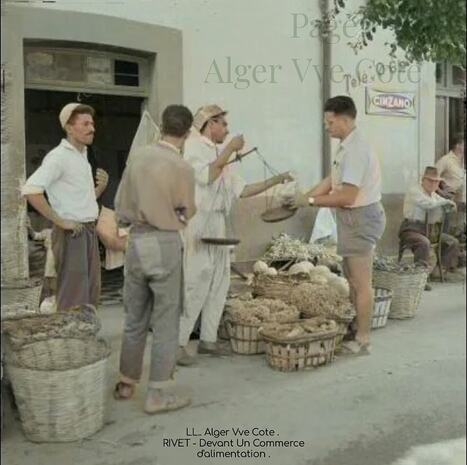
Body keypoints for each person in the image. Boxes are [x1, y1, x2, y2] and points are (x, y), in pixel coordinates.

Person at [177, 104, 293, 365]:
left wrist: (276, 180)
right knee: (196, 282)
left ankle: (208, 340)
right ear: (210, 124)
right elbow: (206, 176)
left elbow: (242, 190)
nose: (227, 130)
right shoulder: (193, 148)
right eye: (223, 124)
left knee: (219, 283)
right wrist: (230, 148)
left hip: (217, 222)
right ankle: (179, 343)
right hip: (198, 223)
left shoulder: (220, 153)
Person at [285, 95, 385, 356]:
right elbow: (332, 181)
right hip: (351, 218)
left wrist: (308, 200)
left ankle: (363, 340)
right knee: (352, 279)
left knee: (361, 283)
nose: (326, 127)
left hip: (360, 217)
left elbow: (347, 196)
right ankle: (355, 330)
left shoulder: (356, 150)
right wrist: (304, 197)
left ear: (344, 120)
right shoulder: (346, 148)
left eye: (330, 122)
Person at [113, 105, 197, 414]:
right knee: (165, 322)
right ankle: (158, 394)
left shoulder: (138, 158)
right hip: (163, 243)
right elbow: (187, 211)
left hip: (136, 240)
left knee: (134, 318)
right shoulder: (182, 167)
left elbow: (120, 205)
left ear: (161, 127)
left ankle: (125, 382)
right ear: (187, 133)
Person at [22, 103, 108, 311]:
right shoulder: (58, 157)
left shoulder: (82, 157)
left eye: (92, 123)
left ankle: (83, 338)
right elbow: (31, 190)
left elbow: (80, 201)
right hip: (72, 233)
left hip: (87, 229)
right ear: (69, 128)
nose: (92, 128)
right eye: (85, 123)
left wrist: (100, 189)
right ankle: (71, 340)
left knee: (90, 292)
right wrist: (61, 221)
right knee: (74, 296)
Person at [399, 166, 459, 280]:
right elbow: (428, 204)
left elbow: (442, 202)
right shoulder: (415, 191)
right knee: (424, 243)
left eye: (436, 181)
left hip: (430, 230)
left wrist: (450, 203)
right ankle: (419, 278)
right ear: (423, 180)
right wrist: (447, 202)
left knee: (452, 242)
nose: (433, 184)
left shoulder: (433, 194)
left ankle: (437, 271)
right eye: (430, 180)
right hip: (411, 228)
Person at [436, 134, 466, 237]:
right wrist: (441, 190)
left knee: (458, 228)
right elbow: (434, 175)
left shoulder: (461, 161)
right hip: (449, 199)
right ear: (458, 145)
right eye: (464, 144)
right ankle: (444, 248)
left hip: (461, 199)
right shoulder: (446, 160)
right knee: (446, 227)